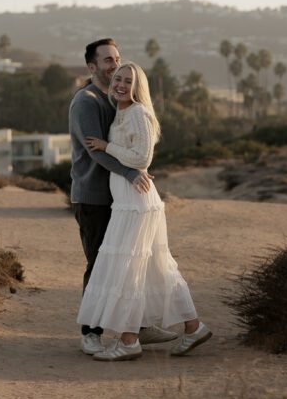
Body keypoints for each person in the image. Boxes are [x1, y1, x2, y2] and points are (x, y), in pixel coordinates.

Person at [77, 60, 212, 361]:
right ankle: (194, 327)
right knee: (158, 268)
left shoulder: (139, 112)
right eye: (118, 79)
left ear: (139, 87)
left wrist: (105, 146)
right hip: (128, 202)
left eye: (128, 81)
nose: (121, 85)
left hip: (136, 204)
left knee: (130, 271)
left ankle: (128, 342)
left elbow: (142, 158)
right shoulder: (121, 112)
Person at [69, 39, 178, 355]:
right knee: (99, 263)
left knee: (128, 264)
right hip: (92, 196)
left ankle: (137, 328)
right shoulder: (86, 102)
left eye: (116, 58)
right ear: (92, 67)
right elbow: (95, 149)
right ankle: (91, 332)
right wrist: (131, 173)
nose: (114, 65)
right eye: (107, 61)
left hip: (121, 198)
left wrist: (134, 169)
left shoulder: (116, 98)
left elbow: (133, 144)